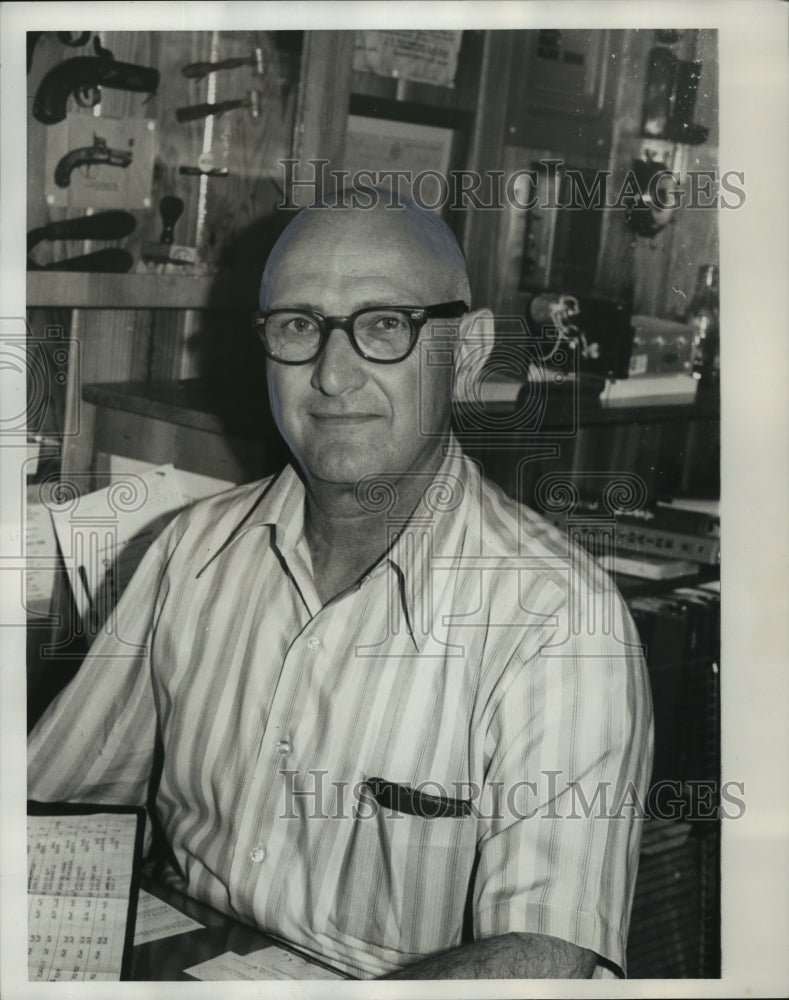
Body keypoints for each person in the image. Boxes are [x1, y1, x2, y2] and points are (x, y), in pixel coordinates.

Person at [28, 192, 653, 980]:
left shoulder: (561, 622)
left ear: (467, 351)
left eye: (385, 324)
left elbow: (540, 957)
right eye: (297, 325)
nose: (330, 373)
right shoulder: (187, 550)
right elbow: (60, 795)